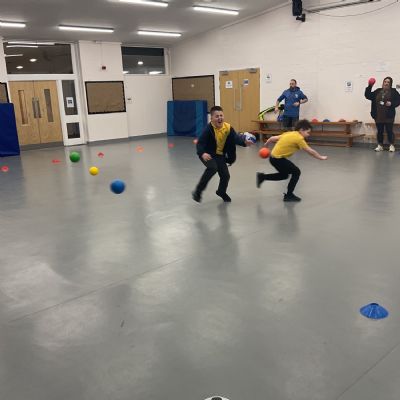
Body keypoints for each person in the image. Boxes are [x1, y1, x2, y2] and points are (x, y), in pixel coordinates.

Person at [256, 119, 327, 202]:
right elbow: (310, 151)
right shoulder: (299, 138)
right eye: (308, 132)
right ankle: (289, 195)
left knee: (284, 175)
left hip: (273, 158)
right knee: (296, 172)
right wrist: (320, 157)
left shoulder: (289, 133)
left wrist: (266, 145)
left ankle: (262, 177)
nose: (308, 135)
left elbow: (272, 138)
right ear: (301, 130)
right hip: (278, 159)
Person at [192, 106, 252, 203]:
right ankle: (197, 192)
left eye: (221, 115)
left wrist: (244, 142)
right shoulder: (208, 129)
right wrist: (202, 153)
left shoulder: (227, 128)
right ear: (211, 118)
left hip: (219, 155)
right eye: (217, 116)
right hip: (207, 154)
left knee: (225, 176)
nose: (219, 118)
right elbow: (200, 143)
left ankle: (221, 191)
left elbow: (235, 138)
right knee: (212, 168)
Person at [364, 77, 400, 152]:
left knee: (389, 131)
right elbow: (368, 95)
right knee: (380, 131)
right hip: (378, 116)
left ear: (390, 84)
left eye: (388, 82)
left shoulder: (394, 92)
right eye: (385, 81)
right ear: (383, 82)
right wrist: (370, 86)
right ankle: (380, 145)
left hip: (389, 116)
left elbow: (398, 101)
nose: (386, 83)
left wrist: (391, 103)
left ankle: (391, 145)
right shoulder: (378, 91)